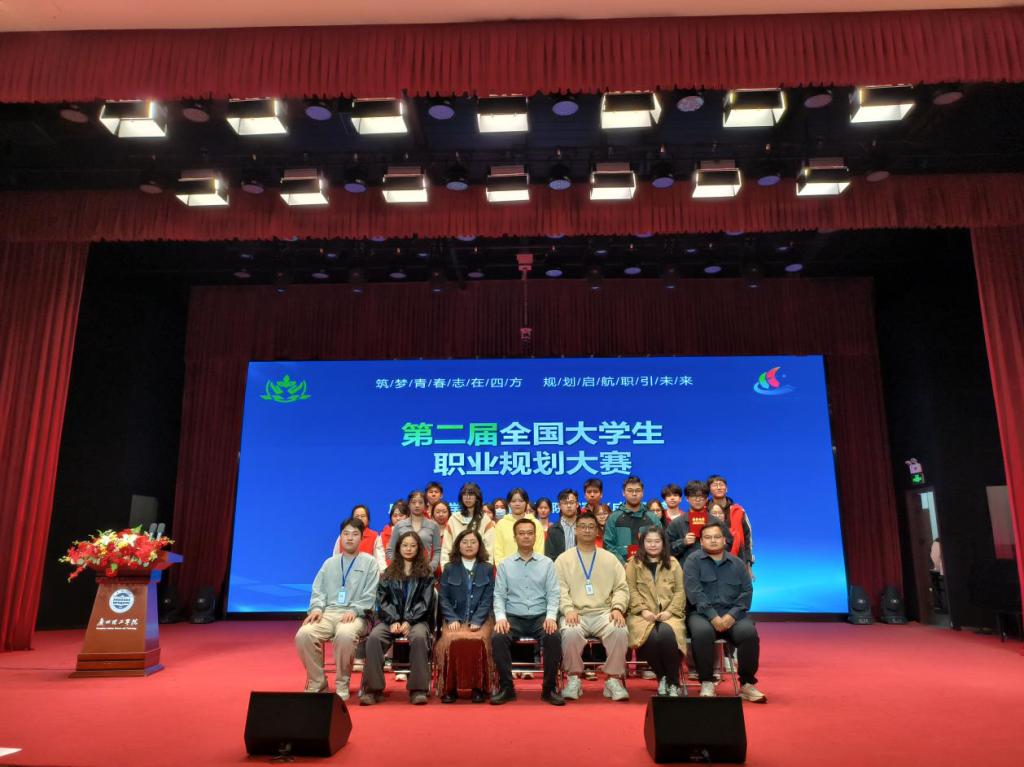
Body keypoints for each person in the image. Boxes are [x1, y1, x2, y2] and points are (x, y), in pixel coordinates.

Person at [296, 517, 379, 700]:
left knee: (345, 634)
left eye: (355, 534)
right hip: (328, 613)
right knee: (304, 634)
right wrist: (317, 608)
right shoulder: (330, 563)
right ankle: (318, 683)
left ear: (361, 538)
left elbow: (371, 595)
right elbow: (318, 590)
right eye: (345, 534)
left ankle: (342, 684)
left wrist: (356, 610)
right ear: (340, 537)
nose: (349, 538)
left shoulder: (370, 562)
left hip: (358, 616)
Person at [684, 521, 766, 703]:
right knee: (702, 632)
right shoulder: (693, 561)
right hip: (702, 614)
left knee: (749, 633)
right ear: (701, 541)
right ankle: (707, 681)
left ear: (724, 540)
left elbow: (747, 591)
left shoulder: (737, 563)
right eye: (708, 537)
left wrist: (732, 615)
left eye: (717, 537)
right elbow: (694, 592)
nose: (713, 540)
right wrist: (713, 616)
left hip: (733, 614)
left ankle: (747, 684)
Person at [555, 512, 631, 702]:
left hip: (604, 613)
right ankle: (573, 679)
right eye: (582, 526)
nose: (587, 530)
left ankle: (613, 679)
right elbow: (559, 590)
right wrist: (568, 609)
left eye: (591, 526)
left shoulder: (610, 559)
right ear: (576, 530)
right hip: (575, 613)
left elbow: (621, 588)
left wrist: (617, 608)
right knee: (570, 632)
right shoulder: (563, 559)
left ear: (597, 531)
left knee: (619, 630)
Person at [491, 518, 564, 706]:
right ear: (515, 537)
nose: (526, 536)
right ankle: (507, 688)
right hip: (513, 616)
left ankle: (549, 688)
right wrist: (500, 618)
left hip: (540, 616)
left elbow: (553, 593)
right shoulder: (505, 565)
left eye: (530, 533)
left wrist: (551, 617)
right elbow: (499, 595)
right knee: (498, 637)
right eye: (521, 533)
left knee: (553, 636)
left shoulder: (547, 564)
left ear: (535, 536)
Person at [362, 531, 436, 705]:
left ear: (418, 548)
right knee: (374, 638)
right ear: (398, 548)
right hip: (391, 621)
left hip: (417, 621)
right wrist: (394, 619)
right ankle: (373, 689)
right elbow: (382, 601)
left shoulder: (426, 574)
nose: (408, 549)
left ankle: (418, 689)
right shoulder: (388, 573)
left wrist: (409, 621)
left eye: (413, 546)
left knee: (419, 637)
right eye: (405, 545)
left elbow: (425, 603)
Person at [435, 530, 495, 703]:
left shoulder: (487, 568)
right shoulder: (449, 568)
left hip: (481, 619)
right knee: (451, 640)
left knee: (478, 640)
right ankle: (450, 688)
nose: (469, 545)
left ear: (479, 545)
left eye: (473, 542)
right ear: (458, 545)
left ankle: (479, 687)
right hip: (455, 618)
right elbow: (443, 597)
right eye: (465, 542)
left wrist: (478, 620)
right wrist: (452, 618)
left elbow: (488, 598)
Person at [625, 527, 686, 697]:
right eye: (649, 541)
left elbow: (680, 591)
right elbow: (631, 590)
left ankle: (673, 682)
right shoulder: (633, 564)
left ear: (663, 543)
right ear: (642, 543)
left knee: (667, 635)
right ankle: (663, 677)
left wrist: (670, 611)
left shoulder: (673, 563)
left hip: (670, 614)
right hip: (641, 615)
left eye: (657, 541)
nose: (653, 545)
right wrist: (643, 610)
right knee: (649, 638)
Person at [666, 480, 733, 565]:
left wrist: (714, 546)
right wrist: (683, 542)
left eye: (701, 496)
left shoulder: (716, 521)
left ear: (706, 498)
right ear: (687, 498)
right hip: (686, 569)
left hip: (713, 567)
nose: (698, 500)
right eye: (694, 496)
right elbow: (666, 549)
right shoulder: (677, 523)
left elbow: (729, 543)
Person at [604, 475, 662, 563]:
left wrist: (644, 561)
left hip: (647, 566)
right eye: (630, 490)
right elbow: (608, 545)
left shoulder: (652, 518)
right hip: (620, 568)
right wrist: (623, 564)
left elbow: (661, 543)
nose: (634, 494)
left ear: (642, 493)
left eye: (638, 490)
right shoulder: (614, 518)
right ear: (623, 493)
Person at [442, 482, 496, 563]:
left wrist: (487, 568)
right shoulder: (453, 519)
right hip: (456, 565)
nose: (468, 498)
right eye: (464, 494)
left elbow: (489, 549)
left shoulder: (485, 520)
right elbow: (446, 548)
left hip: (479, 565)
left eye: (471, 494)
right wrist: (446, 567)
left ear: (477, 497)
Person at [387, 490, 442, 571]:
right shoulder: (399, 525)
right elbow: (390, 550)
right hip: (402, 573)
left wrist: (431, 567)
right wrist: (399, 566)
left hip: (425, 572)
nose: (417, 505)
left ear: (425, 505)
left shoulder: (433, 525)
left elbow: (437, 551)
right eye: (413, 502)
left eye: (420, 502)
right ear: (408, 505)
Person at [707, 475, 753, 567]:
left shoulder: (738, 510)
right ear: (709, 490)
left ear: (726, 489)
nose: (719, 488)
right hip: (709, 561)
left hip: (737, 560)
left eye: (721, 485)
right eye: (715, 485)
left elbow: (747, 536)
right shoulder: (704, 511)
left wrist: (748, 561)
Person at [493, 487, 544, 562]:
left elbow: (539, 551)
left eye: (521, 501)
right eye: (513, 501)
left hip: (533, 568)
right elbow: (498, 553)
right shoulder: (501, 524)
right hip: (507, 568)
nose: (517, 504)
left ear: (526, 503)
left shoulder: (536, 523)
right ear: (509, 504)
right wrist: (503, 568)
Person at [545, 488, 579, 561]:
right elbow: (550, 557)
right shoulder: (553, 529)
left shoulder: (584, 526)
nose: (569, 506)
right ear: (559, 506)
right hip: (560, 567)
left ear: (577, 505)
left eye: (571, 502)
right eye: (565, 503)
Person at [374, 503, 410, 572]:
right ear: (391, 518)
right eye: (395, 516)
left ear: (407, 516)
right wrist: (385, 571)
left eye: (401, 515)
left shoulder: (413, 533)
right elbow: (380, 556)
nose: (398, 518)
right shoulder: (383, 535)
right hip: (389, 573)